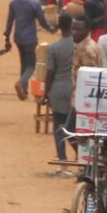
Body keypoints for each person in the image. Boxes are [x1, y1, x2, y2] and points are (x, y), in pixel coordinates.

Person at [3, 0, 55, 100]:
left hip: (18, 37)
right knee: (31, 65)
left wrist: (7, 39)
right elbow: (42, 21)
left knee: (23, 63)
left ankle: (23, 91)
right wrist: (51, 29)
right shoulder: (34, 3)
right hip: (30, 38)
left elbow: (9, 22)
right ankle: (22, 82)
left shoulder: (14, 2)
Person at [44, 13, 78, 167]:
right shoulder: (78, 46)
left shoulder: (53, 48)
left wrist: (46, 92)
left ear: (59, 27)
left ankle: (62, 159)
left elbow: (50, 72)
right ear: (72, 26)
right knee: (72, 125)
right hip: (74, 88)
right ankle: (79, 154)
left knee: (58, 123)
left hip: (58, 88)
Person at [70, 13, 102, 87]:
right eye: (73, 28)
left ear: (88, 30)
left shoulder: (87, 50)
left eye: (79, 30)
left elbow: (89, 79)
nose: (74, 32)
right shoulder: (82, 45)